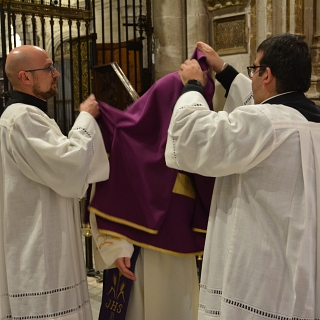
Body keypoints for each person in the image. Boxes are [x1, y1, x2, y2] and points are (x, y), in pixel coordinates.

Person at [165, 33, 320, 319]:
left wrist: (193, 86)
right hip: (306, 274)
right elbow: (256, 104)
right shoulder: (309, 123)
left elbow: (191, 134)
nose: (251, 78)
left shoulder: (265, 124)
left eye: (254, 69)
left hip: (260, 281)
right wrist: (223, 70)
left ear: (267, 75)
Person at [88, 48, 215, 320]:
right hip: (137, 257)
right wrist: (117, 247)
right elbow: (109, 194)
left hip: (178, 256)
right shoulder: (128, 143)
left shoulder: (190, 154)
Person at [0, 45, 110, 320]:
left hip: (43, 233)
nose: (56, 73)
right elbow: (68, 165)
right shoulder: (22, 117)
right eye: (48, 68)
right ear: (25, 77)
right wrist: (85, 116)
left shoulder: (29, 115)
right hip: (38, 244)